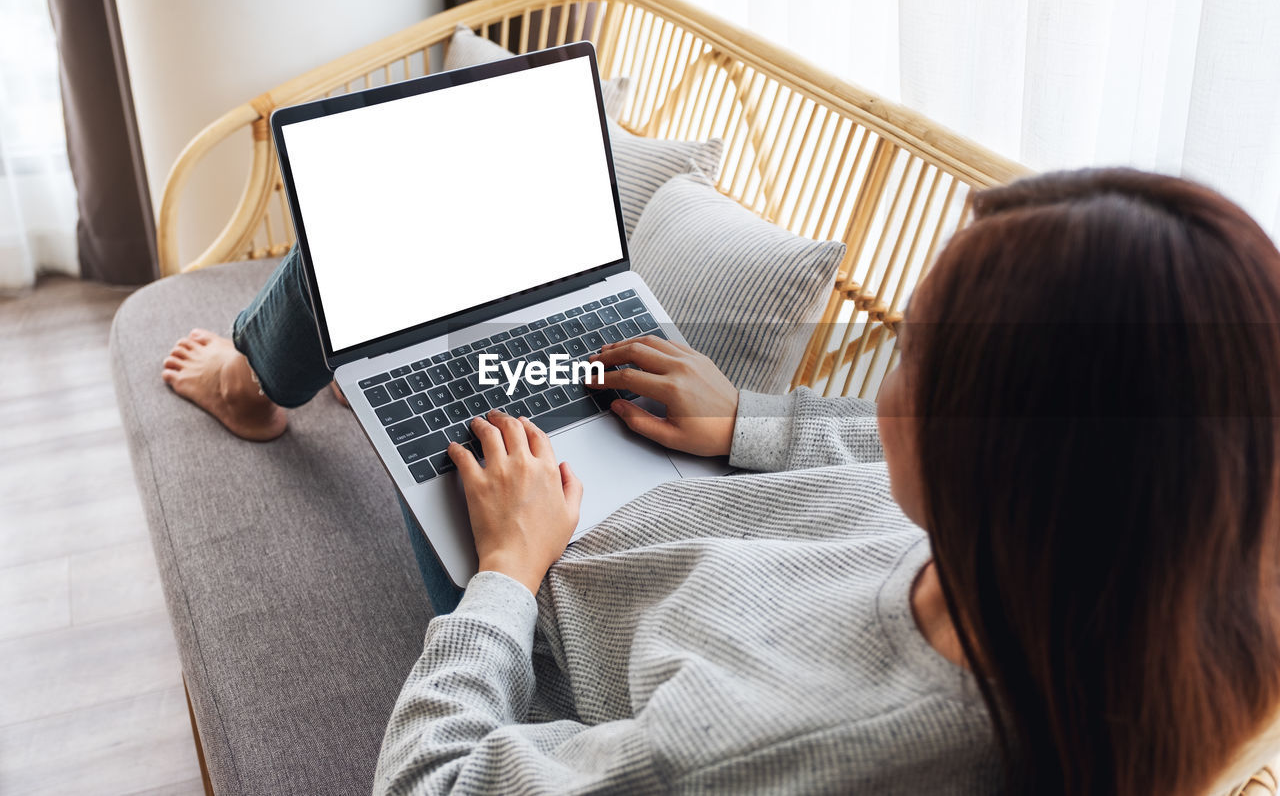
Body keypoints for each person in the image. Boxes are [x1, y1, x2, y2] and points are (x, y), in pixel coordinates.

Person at [162, 168, 1280, 795]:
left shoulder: (766, 743)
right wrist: (745, 418)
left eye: (917, 358)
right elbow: (868, 456)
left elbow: (430, 787)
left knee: (374, 241)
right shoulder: (1114, 591)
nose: (887, 378)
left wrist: (506, 566)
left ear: (1004, 480)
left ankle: (252, 386)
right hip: (671, 506)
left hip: (557, 582)